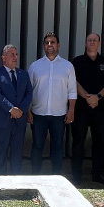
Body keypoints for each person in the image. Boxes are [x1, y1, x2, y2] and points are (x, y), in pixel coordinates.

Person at [28, 32, 76, 174]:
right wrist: (28, 111)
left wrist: (71, 110)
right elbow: (28, 91)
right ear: (44, 46)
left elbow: (72, 91)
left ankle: (56, 176)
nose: (50, 45)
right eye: (47, 42)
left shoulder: (68, 66)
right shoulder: (35, 66)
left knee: (57, 147)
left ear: (58, 45)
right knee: (37, 146)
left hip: (59, 114)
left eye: (53, 42)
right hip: (38, 114)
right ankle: (35, 176)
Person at [71, 33, 104, 185]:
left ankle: (98, 174)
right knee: (78, 142)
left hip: (100, 109)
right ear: (85, 43)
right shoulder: (77, 61)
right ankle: (76, 176)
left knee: (100, 142)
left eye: (95, 40)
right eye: (89, 40)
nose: (92, 42)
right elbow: (73, 82)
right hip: (81, 109)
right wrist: (87, 97)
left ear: (99, 43)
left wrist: (98, 97)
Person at [0, 45, 33, 175]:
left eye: (16, 54)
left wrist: (20, 110)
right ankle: (0, 180)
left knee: (17, 152)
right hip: (2, 120)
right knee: (1, 151)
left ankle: (16, 180)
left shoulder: (23, 74)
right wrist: (11, 109)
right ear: (3, 57)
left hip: (19, 120)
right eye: (12, 54)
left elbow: (29, 93)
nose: (15, 57)